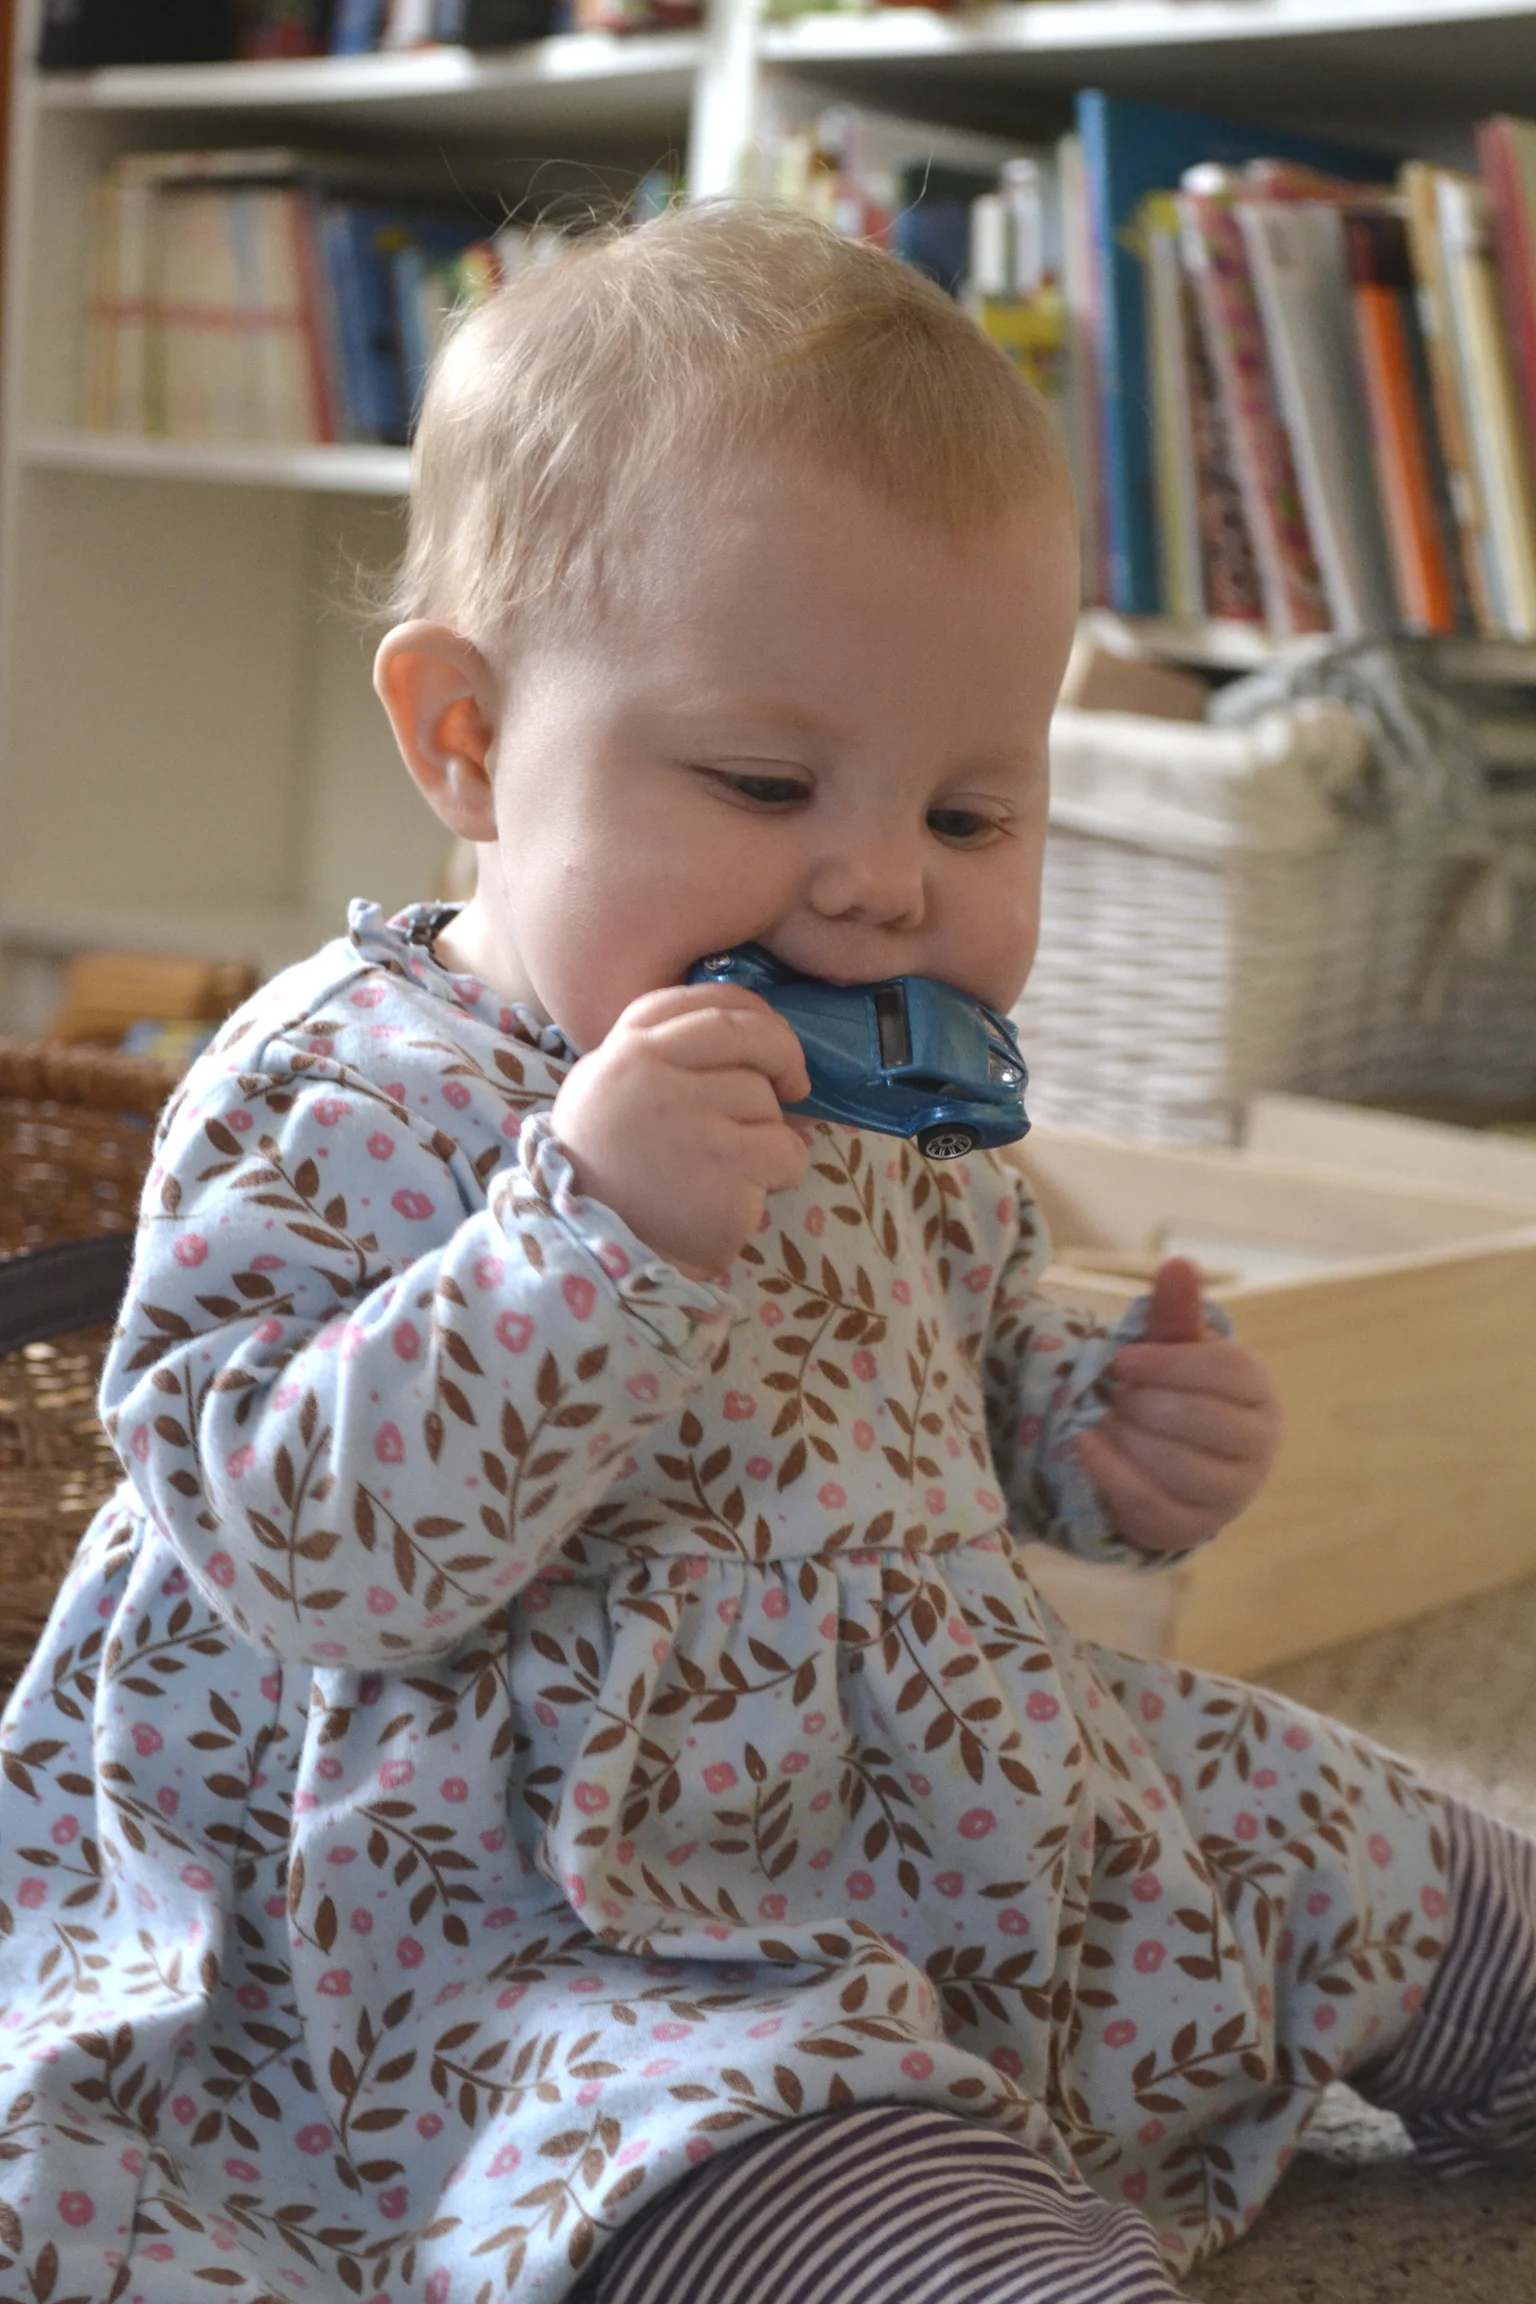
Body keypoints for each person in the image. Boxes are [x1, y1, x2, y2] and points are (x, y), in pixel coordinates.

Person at [1, 204, 1531, 2304]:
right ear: (465, 741)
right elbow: (302, 1552)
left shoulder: (891, 1100)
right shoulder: (336, 1091)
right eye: (763, 779)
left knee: (1336, 1824)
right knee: (743, 2138)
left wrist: (1109, 1438)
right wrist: (585, 1237)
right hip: (511, 1899)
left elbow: (961, 1404)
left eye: (976, 816)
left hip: (908, 1779)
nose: (882, 890)